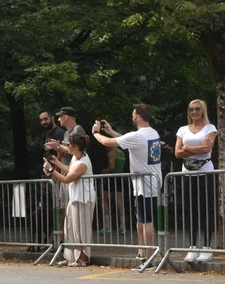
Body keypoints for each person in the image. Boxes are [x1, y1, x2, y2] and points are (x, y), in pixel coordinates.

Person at [92, 105, 163, 265]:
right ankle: (142, 252)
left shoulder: (138, 136)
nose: (132, 117)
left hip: (145, 185)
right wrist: (110, 130)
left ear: (138, 116)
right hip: (147, 184)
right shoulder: (152, 133)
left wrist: (96, 133)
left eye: (133, 114)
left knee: (146, 221)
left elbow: (107, 142)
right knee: (141, 220)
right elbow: (126, 139)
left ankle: (149, 258)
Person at [174, 99, 217, 263]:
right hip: (187, 172)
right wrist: (196, 149)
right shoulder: (182, 129)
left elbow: (207, 149)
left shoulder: (210, 128)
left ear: (203, 110)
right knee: (190, 210)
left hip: (205, 171)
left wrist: (187, 148)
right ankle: (192, 246)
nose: (194, 112)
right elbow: (177, 153)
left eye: (197, 109)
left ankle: (207, 247)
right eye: (191, 109)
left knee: (206, 209)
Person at [46, 132, 95, 266]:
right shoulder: (76, 157)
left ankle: (83, 259)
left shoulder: (82, 163)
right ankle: (71, 257)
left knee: (81, 229)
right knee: (70, 228)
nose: (67, 146)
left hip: (83, 199)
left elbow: (67, 179)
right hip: (75, 197)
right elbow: (69, 169)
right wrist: (57, 162)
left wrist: (51, 170)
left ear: (76, 146)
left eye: (69, 144)